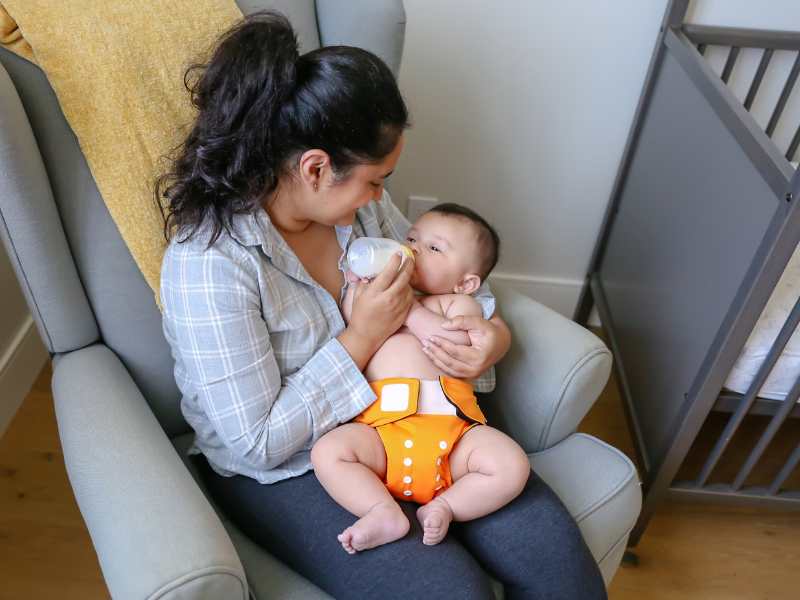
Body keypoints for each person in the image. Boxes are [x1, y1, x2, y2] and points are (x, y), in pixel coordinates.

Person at [157, 10, 607, 600]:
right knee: (449, 592)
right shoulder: (209, 262)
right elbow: (257, 440)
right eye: (375, 180)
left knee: (558, 566)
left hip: (418, 417)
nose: (382, 196)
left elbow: (441, 289)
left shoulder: (360, 213)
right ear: (315, 168)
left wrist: (489, 338)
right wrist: (362, 337)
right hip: (295, 465)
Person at [313, 204, 532, 554]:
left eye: (434, 248)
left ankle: (446, 506)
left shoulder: (454, 305)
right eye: (411, 238)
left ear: (465, 283)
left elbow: (457, 344)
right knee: (328, 452)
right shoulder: (380, 295)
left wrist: (411, 310)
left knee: (511, 464)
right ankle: (382, 510)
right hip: (381, 434)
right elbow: (354, 319)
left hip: (453, 434)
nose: (413, 249)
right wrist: (357, 288)